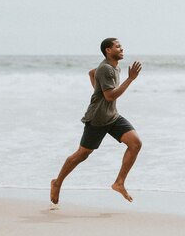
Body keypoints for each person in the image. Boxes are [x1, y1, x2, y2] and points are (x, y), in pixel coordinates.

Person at [50, 38, 142, 206]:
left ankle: (119, 183)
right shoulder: (106, 69)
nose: (122, 49)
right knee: (82, 154)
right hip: (97, 119)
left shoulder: (112, 67)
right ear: (108, 50)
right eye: (118, 46)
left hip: (112, 116)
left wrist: (96, 89)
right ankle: (57, 182)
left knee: (135, 143)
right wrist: (130, 79)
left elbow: (92, 73)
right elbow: (110, 96)